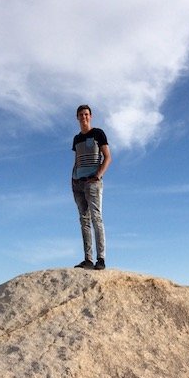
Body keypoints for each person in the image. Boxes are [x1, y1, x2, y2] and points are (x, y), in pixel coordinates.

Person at [71, 104, 111, 270]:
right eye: (81, 115)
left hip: (93, 182)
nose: (84, 117)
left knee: (96, 218)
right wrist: (72, 178)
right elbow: (77, 160)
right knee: (84, 221)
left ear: (91, 116)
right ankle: (88, 259)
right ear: (77, 118)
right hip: (78, 183)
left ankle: (100, 258)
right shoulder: (76, 138)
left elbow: (108, 157)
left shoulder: (98, 134)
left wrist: (98, 175)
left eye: (86, 114)